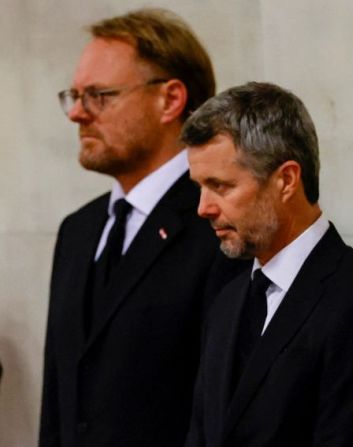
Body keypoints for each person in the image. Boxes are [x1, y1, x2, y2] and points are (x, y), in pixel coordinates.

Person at [41, 9, 245, 447]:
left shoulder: (219, 224)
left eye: (99, 95)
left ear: (170, 99)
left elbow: (220, 405)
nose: (77, 113)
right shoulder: (78, 231)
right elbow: (59, 403)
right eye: (73, 96)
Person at [182, 81, 353, 446]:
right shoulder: (227, 302)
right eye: (199, 186)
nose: (203, 207)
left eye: (221, 186)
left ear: (286, 180)